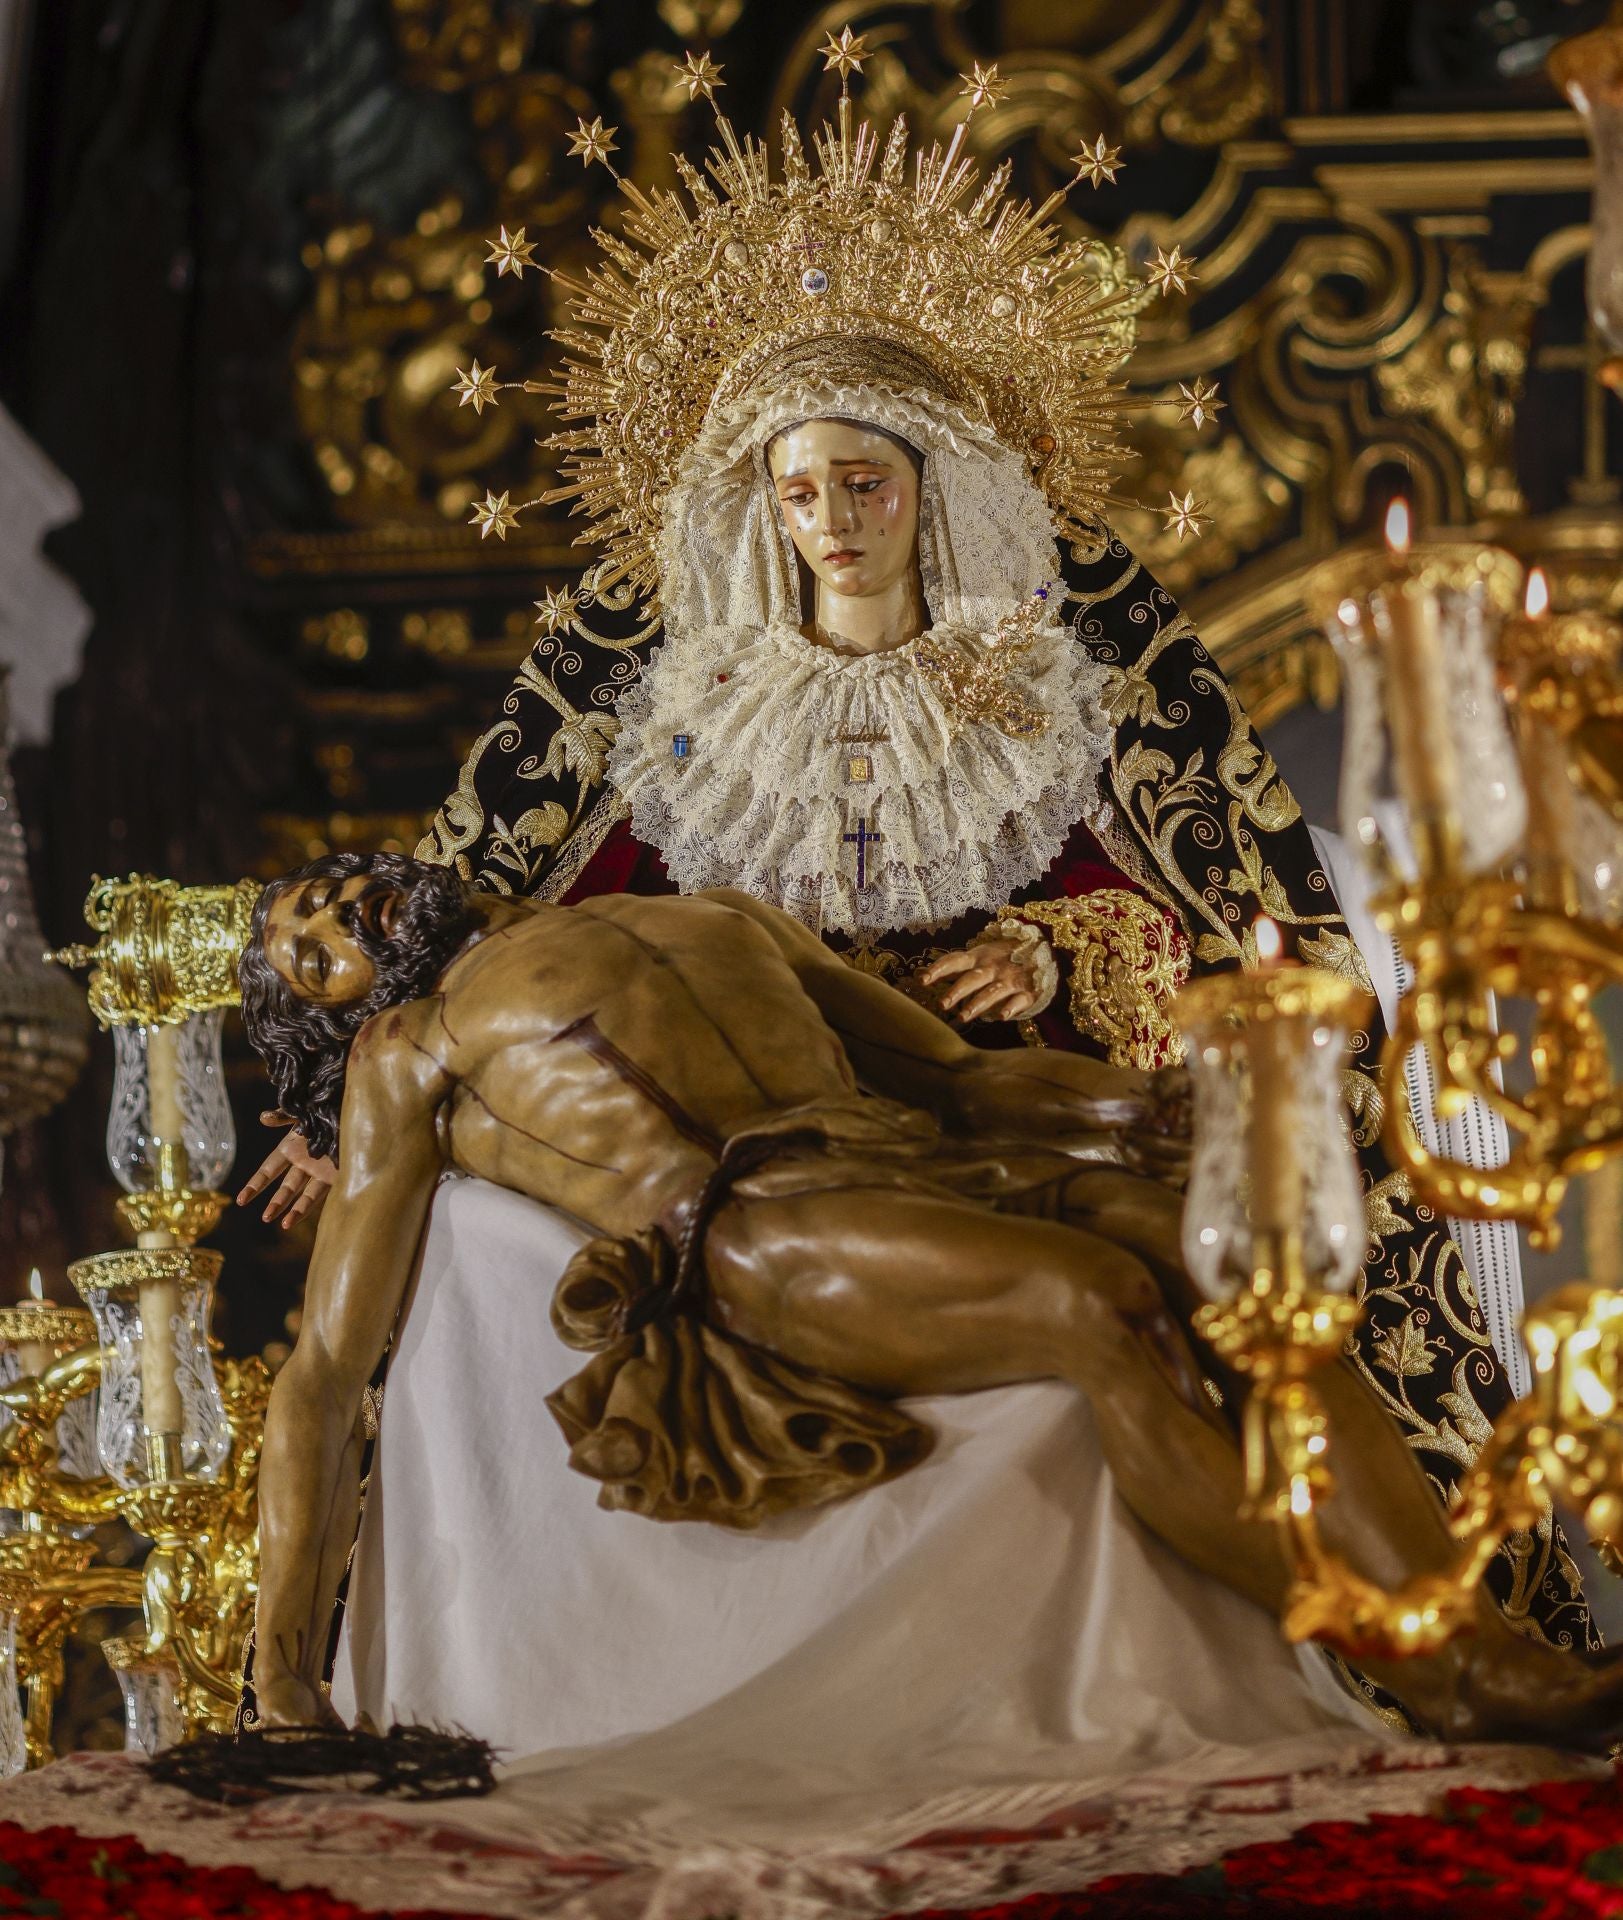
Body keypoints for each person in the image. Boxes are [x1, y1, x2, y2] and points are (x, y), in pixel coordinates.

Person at [238, 97, 1586, 1650]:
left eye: (866, 487)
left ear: (929, 486)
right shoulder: (686, 719)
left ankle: (1415, 1637)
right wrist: (337, 1088)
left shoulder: (1047, 688)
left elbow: (1210, 897)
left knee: (1222, 1281)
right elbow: (507, 921)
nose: (834, 528)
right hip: (778, 1137)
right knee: (1094, 1294)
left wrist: (1053, 953)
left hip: (1004, 1083)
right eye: (801, 494)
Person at [241, 851, 1619, 1747]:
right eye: (312, 957)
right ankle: (1424, 1670)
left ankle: (1478, 1651)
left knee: (1250, 1283)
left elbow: (956, 1077)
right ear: (337, 1014)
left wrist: (1141, 1106)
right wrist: (282, 1685)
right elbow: (322, 1370)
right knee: (1102, 1304)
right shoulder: (408, 1051)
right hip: (765, 1232)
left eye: (323, 893)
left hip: (931, 1160)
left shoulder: (713, 912)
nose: (334, 919)